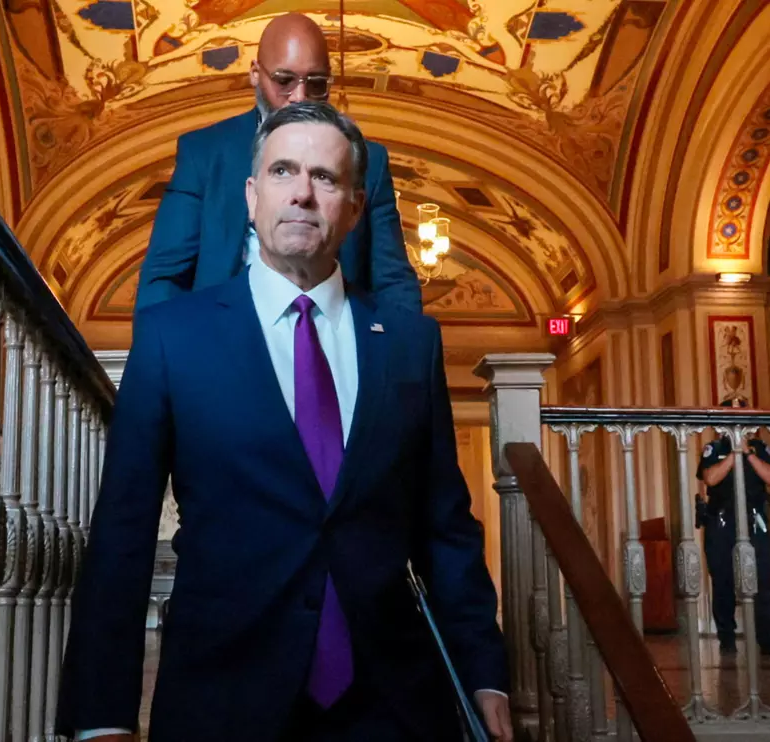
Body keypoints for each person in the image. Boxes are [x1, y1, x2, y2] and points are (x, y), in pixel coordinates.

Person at [57, 101, 511, 742]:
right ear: (251, 197)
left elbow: (446, 528)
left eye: (325, 177)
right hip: (222, 699)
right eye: (282, 171)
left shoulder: (410, 343)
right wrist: (100, 716)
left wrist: (484, 671)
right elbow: (122, 534)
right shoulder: (171, 338)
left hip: (392, 705)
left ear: (355, 207)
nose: (302, 193)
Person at [134, 13, 421, 316]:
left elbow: (393, 281)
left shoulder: (370, 161)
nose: (300, 98)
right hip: (221, 333)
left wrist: (402, 344)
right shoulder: (204, 153)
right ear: (255, 74)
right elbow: (164, 279)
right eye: (284, 81)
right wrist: (173, 344)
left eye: (316, 83)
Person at [695, 399, 770, 656]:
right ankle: (726, 638)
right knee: (723, 578)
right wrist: (734, 453)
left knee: (764, 578)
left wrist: (747, 453)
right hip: (722, 521)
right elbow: (710, 478)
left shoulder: (760, 448)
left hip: (754, 519)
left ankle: (766, 639)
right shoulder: (714, 448)